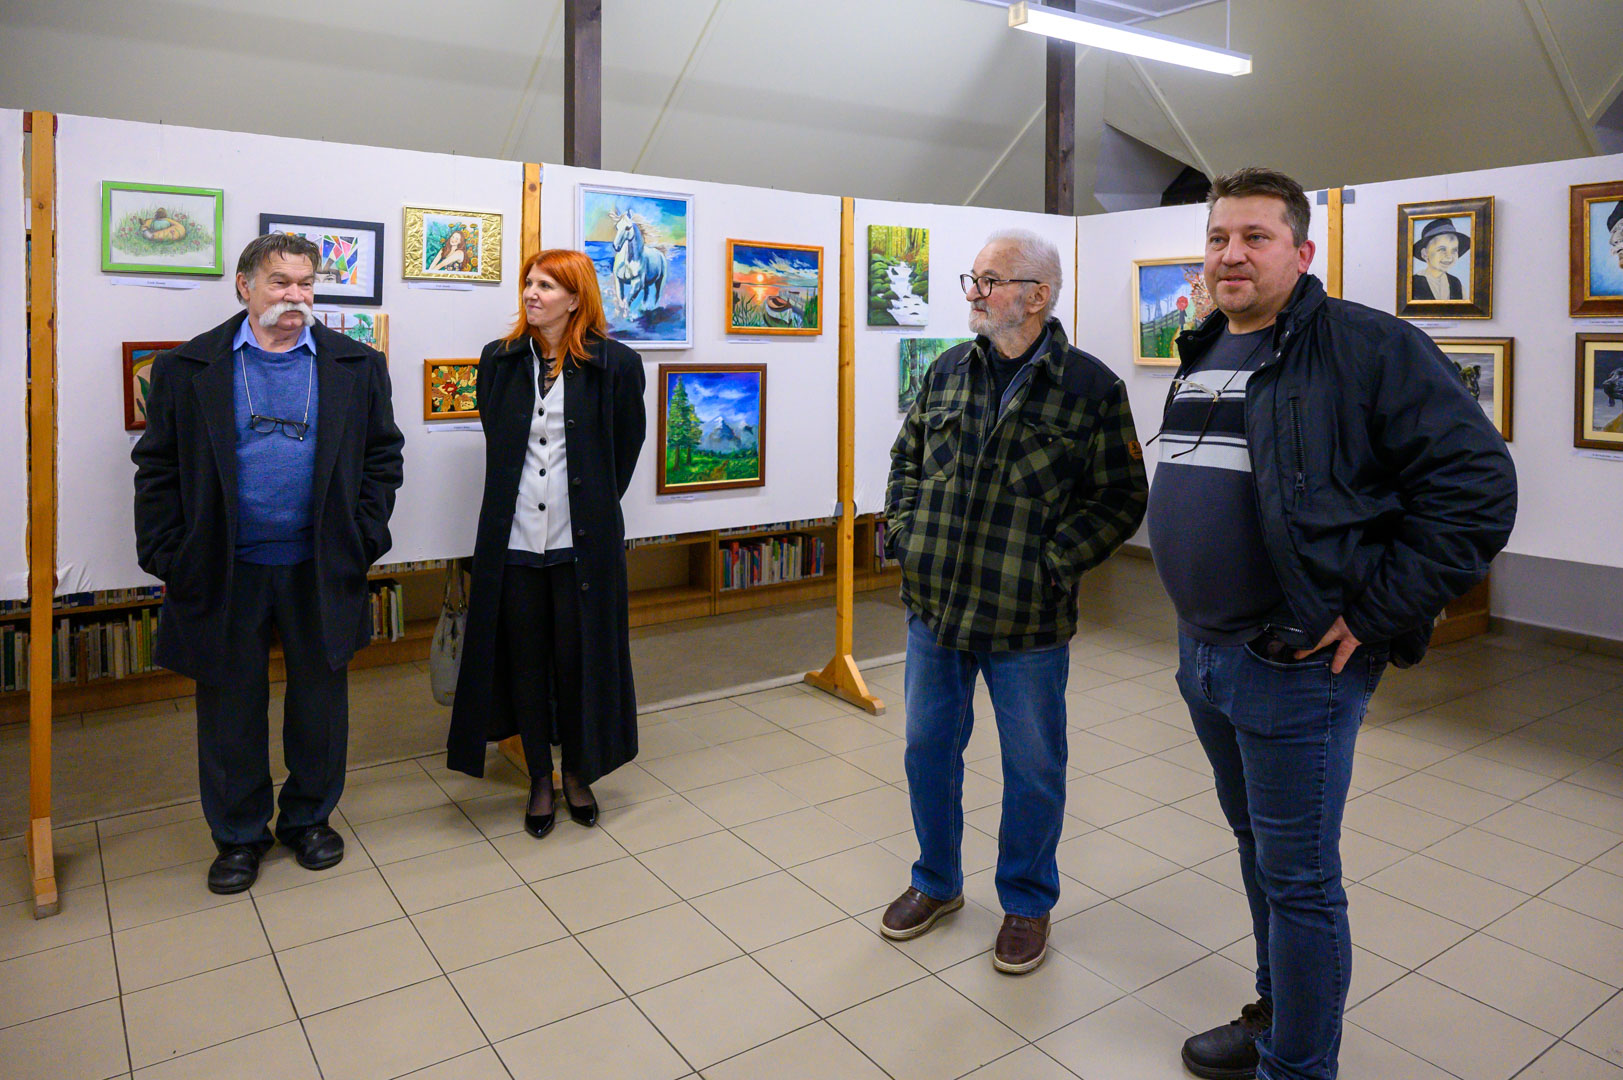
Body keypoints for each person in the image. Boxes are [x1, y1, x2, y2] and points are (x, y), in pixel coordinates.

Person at [1149, 168, 1516, 1080]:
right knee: (1257, 854)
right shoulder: (1207, 342)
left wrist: (1377, 611)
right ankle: (1276, 1018)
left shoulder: (1363, 345)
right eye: (1217, 238)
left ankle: (1297, 1067)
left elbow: (1477, 486)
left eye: (1255, 237)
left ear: (1301, 251)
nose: (1230, 254)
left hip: (1292, 661)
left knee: (1299, 880)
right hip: (1204, 653)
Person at [881, 229, 1147, 973]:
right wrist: (905, 535)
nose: (974, 292)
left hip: (1026, 618)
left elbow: (1120, 498)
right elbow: (905, 461)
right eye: (973, 279)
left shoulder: (1091, 388)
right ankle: (936, 882)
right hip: (935, 606)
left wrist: (1052, 564)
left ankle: (1026, 902)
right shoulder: (945, 370)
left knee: (1032, 767)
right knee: (927, 750)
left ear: (1037, 296)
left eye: (988, 280)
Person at [132, 233, 404, 894]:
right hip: (225, 568)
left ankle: (309, 819)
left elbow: (382, 458)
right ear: (245, 285)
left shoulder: (356, 365)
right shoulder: (186, 368)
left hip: (320, 565)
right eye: (281, 282)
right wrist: (170, 555)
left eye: (306, 283)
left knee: (320, 704)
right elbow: (156, 468)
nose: (295, 296)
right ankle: (238, 836)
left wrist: (362, 537)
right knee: (229, 710)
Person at [445, 249, 646, 836]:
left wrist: (587, 506)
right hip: (512, 543)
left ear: (576, 299)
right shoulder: (499, 360)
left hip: (580, 544)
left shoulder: (616, 364)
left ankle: (578, 773)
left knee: (578, 662)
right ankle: (539, 776)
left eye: (546, 286)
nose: (531, 294)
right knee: (525, 663)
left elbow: (625, 450)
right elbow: (500, 443)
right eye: (529, 283)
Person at [1410, 216, 1469, 301]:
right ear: (1425, 254)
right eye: (1442, 249)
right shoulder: (1413, 283)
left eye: (1454, 250)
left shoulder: (1456, 283)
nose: (1449, 256)